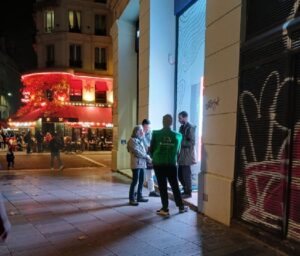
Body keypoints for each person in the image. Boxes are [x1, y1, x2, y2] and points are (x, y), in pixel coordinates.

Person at [150, 114, 188, 216]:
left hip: (158, 164)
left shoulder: (156, 134)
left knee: (162, 187)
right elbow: (178, 152)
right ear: (171, 123)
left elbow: (151, 149)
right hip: (171, 164)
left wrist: (155, 157)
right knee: (175, 186)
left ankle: (165, 209)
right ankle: (180, 207)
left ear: (163, 122)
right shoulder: (178, 136)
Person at [127, 125, 151, 206]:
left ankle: (139, 196)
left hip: (142, 164)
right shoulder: (132, 140)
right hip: (136, 164)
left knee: (141, 181)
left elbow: (145, 150)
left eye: (142, 131)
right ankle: (131, 198)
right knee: (135, 181)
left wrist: (143, 138)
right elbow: (137, 152)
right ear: (136, 131)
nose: (142, 132)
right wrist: (147, 157)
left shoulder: (140, 140)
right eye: (140, 130)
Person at [178, 111, 196, 198]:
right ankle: (185, 189)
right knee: (180, 175)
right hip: (181, 154)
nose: (179, 120)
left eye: (180, 118)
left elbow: (192, 142)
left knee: (186, 174)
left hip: (187, 155)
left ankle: (188, 192)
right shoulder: (182, 127)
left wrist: (180, 142)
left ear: (185, 117)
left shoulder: (191, 127)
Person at [141, 119, 160, 197]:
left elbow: (150, 146)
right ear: (143, 126)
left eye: (148, 127)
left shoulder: (151, 134)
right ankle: (137, 192)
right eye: (146, 127)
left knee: (150, 175)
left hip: (149, 157)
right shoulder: (139, 133)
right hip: (141, 157)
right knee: (140, 176)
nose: (147, 129)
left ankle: (151, 191)